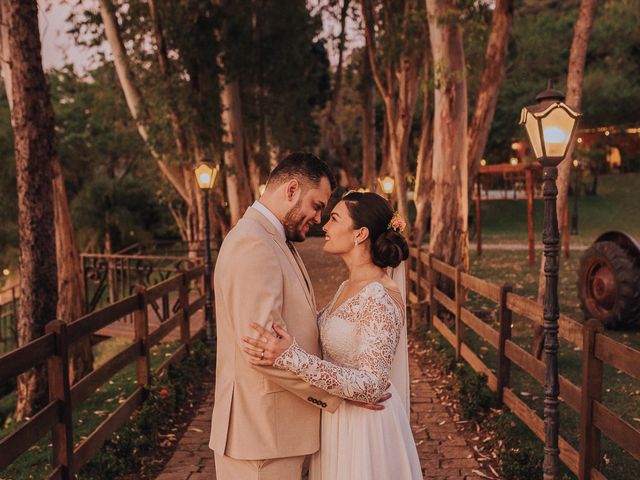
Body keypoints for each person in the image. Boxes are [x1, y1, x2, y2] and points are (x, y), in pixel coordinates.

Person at [209, 153, 388, 479]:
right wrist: (339, 395)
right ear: (291, 189)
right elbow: (262, 351)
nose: (319, 219)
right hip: (262, 437)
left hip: (278, 434)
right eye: (317, 206)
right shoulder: (254, 244)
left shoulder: (273, 239)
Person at [243, 191, 423, 479]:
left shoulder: (378, 296)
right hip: (338, 418)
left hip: (365, 429)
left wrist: (292, 358)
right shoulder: (346, 286)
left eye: (334, 218)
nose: (324, 226)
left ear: (360, 234)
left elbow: (372, 385)